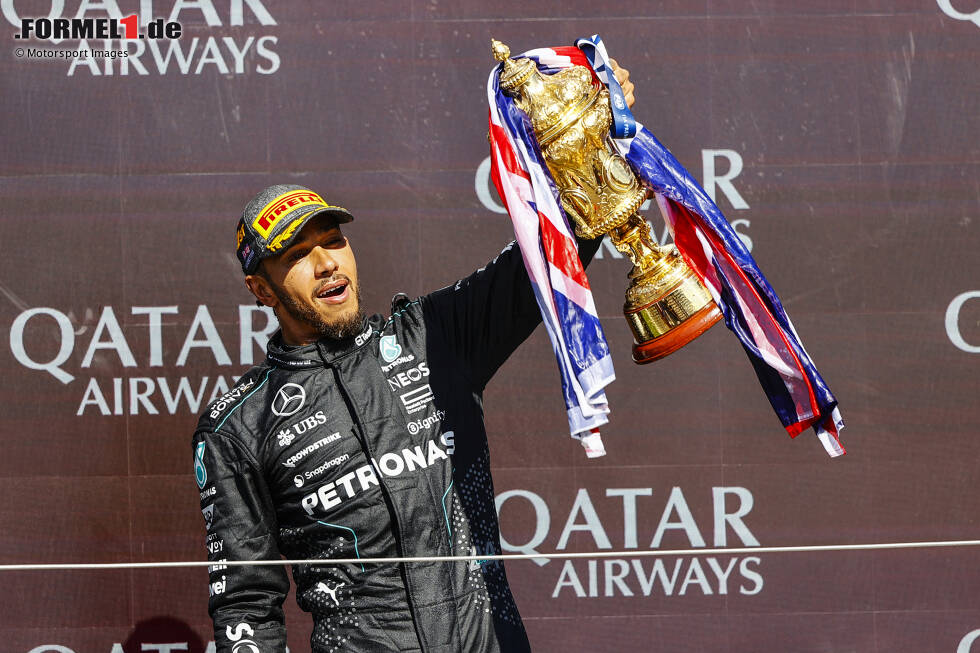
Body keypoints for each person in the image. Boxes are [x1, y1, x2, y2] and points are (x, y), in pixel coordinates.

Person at [193, 63, 634, 653]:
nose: (328, 264)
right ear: (261, 289)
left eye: (334, 241)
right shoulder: (237, 427)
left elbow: (551, 254)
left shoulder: (435, 336)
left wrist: (593, 135)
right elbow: (246, 607)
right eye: (300, 254)